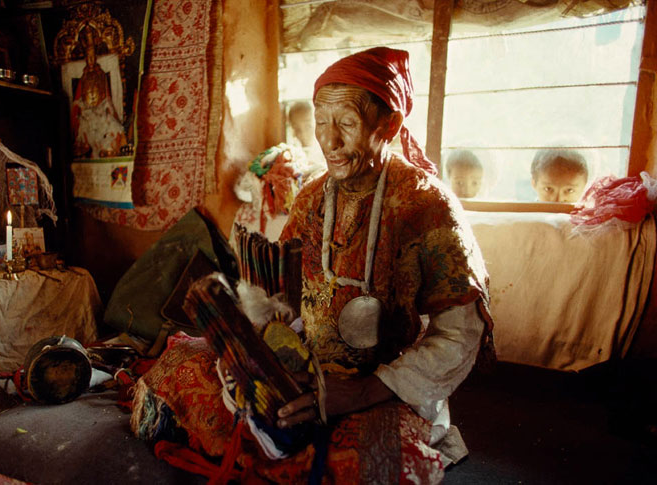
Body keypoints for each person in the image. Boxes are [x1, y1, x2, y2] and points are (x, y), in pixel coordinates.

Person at [133, 47, 493, 484]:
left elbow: (459, 332)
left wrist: (360, 392)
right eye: (322, 122)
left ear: (390, 125)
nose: (330, 141)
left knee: (374, 466)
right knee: (178, 367)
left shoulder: (427, 205)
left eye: (346, 123)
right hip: (303, 365)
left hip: (385, 383)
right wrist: (249, 352)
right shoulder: (311, 197)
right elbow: (279, 298)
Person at [70, 26, 127, 159]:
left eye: (92, 56)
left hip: (101, 112)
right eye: (88, 56)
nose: (90, 59)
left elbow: (104, 95)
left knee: (111, 128)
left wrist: (106, 107)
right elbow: (80, 97)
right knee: (84, 130)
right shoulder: (84, 76)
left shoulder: (100, 74)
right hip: (88, 114)